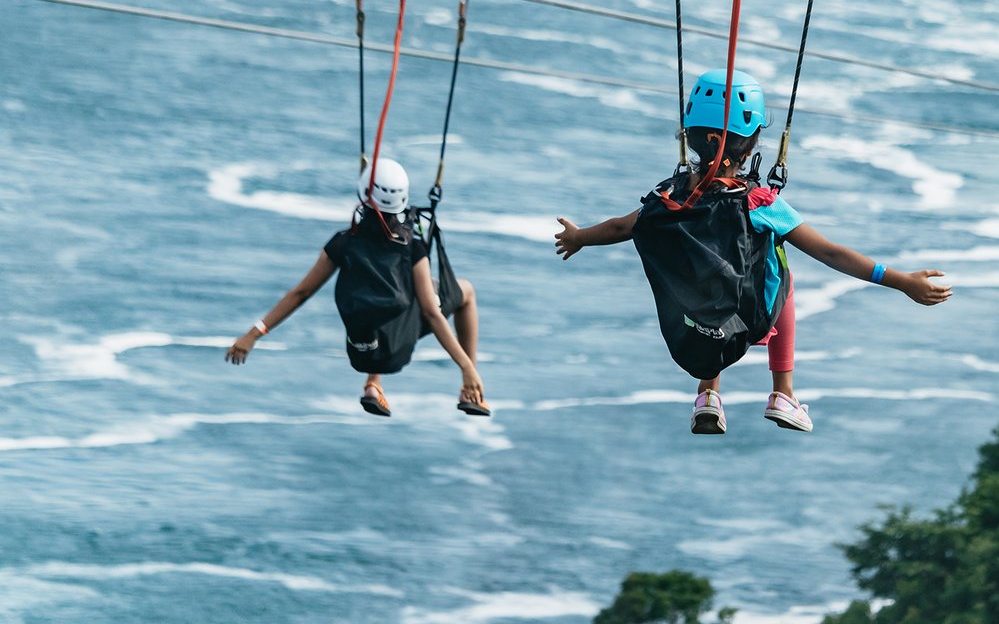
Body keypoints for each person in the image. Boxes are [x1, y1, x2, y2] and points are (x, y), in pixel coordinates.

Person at [554, 68, 950, 435]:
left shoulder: (667, 198)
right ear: (750, 147)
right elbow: (830, 253)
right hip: (748, 318)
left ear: (689, 136)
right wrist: (900, 281)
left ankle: (708, 394)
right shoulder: (758, 203)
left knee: (706, 272)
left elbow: (622, 227)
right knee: (782, 269)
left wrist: (578, 237)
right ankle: (783, 393)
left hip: (690, 326)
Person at [226, 157, 488, 418]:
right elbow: (432, 313)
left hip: (362, 352)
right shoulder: (411, 248)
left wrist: (254, 334)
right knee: (464, 291)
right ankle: (471, 391)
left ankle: (373, 384)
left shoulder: (343, 244)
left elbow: (300, 293)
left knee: (382, 293)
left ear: (364, 193)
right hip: (396, 350)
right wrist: (466, 367)